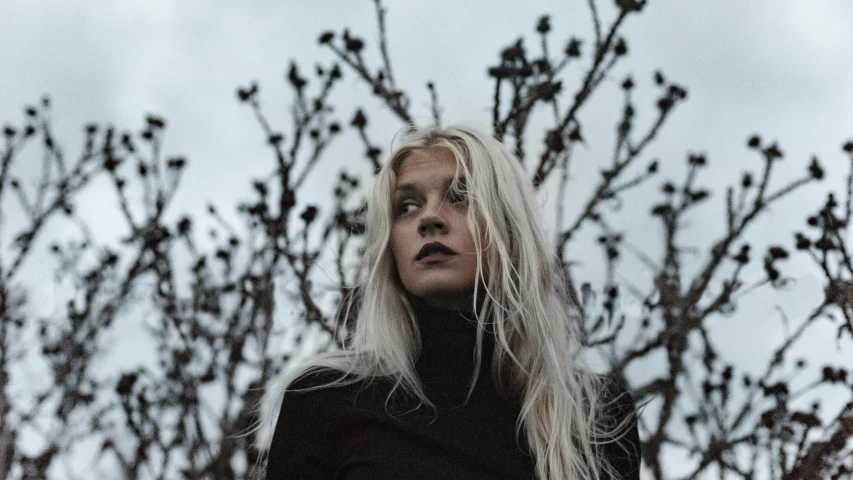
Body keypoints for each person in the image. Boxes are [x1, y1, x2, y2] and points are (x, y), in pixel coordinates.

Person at [255, 125, 641, 479]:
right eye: (406, 206)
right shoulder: (326, 398)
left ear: (510, 227)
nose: (429, 219)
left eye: (461, 197)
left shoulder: (592, 414)